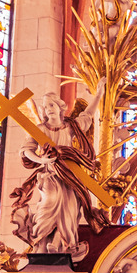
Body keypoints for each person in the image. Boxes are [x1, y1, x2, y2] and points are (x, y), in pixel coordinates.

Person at [10, 83, 107, 260]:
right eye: (45, 106)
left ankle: (57, 244)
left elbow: (87, 115)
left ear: (61, 107)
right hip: (49, 176)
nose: (49, 109)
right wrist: (42, 160)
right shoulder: (39, 129)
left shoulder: (71, 127)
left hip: (70, 178)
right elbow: (26, 150)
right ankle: (40, 244)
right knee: (48, 206)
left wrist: (98, 95)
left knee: (68, 212)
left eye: (52, 105)